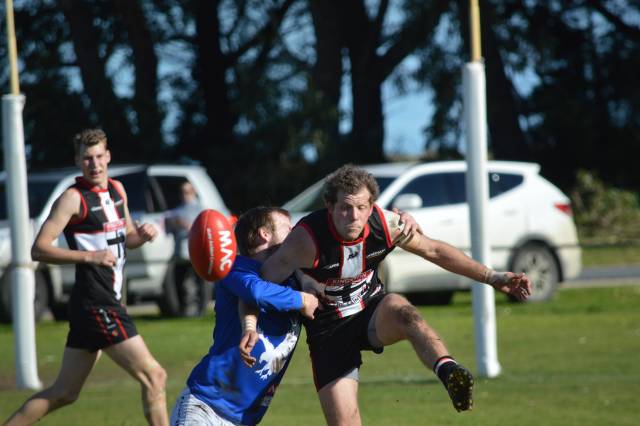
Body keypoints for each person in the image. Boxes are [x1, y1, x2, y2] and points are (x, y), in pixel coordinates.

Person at [246, 164, 532, 425]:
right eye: (345, 207)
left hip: (371, 312)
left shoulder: (386, 225)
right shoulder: (306, 240)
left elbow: (434, 250)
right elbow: (256, 285)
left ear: (372, 207)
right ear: (329, 206)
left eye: (361, 207)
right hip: (328, 334)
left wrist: (491, 277)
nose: (353, 216)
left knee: (403, 310)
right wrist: (250, 325)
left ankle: (449, 372)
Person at [3, 129, 168, 426]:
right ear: (78, 161)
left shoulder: (117, 190)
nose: (94, 164)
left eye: (99, 157)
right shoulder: (73, 198)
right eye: (87, 158)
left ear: (108, 156)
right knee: (154, 376)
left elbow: (127, 236)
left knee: (65, 393)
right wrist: (89, 256)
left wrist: (142, 235)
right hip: (97, 302)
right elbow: (38, 249)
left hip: (99, 302)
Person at [170, 206, 320, 426]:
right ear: (264, 234)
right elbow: (256, 292)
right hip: (206, 407)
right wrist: (302, 300)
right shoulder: (234, 268)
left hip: (244, 420)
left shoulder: (293, 280)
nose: (295, 234)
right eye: (288, 228)